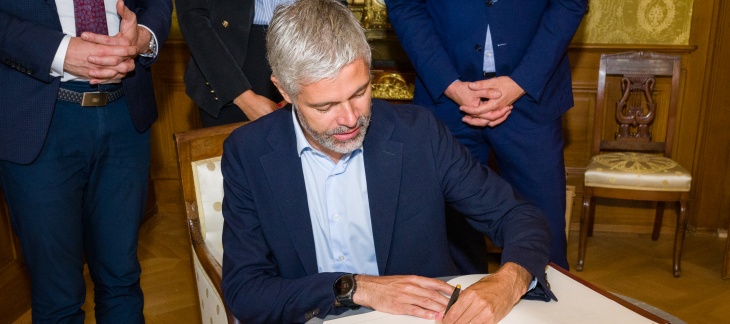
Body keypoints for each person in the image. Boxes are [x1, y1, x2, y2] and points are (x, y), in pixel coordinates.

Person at [220, 0, 554, 322]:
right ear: (285, 91)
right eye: (325, 107)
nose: (350, 119)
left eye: (359, 92)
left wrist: (507, 282)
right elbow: (246, 292)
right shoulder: (248, 152)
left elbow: (519, 216)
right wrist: (356, 288)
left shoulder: (419, 134)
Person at [0, 0, 171, 322]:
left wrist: (143, 37)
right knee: (57, 294)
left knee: (122, 278)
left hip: (125, 114)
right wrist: (60, 51)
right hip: (37, 121)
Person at [385, 0, 587, 270]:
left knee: (544, 239)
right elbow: (404, 6)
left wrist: (522, 82)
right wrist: (449, 84)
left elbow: (570, 3)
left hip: (533, 99)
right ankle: (459, 311)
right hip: (445, 99)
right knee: (448, 242)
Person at [176, 0, 347, 127]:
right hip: (227, 71)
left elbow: (336, 6)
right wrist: (243, 98)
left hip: (309, 57)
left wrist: (306, 85)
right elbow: (192, 15)